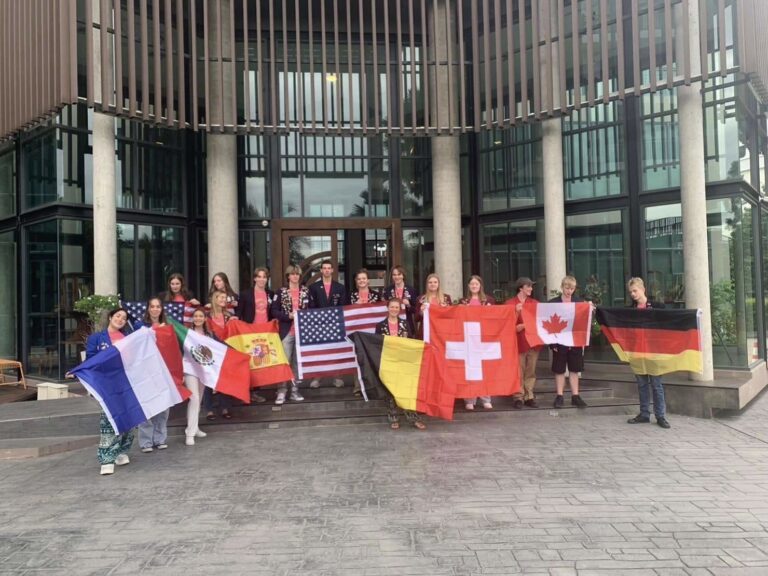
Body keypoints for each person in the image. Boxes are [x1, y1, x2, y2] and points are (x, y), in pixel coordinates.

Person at [84, 307, 134, 476]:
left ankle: (121, 451)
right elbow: (91, 359)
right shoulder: (97, 338)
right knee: (108, 419)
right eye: (118, 316)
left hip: (125, 383)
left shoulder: (128, 338)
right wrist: (78, 371)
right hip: (106, 384)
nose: (120, 319)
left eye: (124, 318)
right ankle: (106, 458)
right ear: (111, 317)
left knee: (128, 418)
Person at [626, 277, 671, 429]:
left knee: (657, 385)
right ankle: (644, 414)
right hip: (637, 352)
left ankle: (660, 416)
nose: (633, 294)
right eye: (630, 292)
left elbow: (671, 320)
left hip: (654, 351)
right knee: (642, 385)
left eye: (635, 290)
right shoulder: (630, 311)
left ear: (643, 289)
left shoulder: (657, 307)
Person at [375, 297, 426, 431]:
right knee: (390, 390)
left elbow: (410, 341)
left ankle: (412, 417)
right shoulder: (380, 325)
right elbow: (376, 344)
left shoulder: (405, 324)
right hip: (388, 361)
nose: (394, 309)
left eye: (397, 307)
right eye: (392, 307)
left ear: (400, 309)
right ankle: (393, 417)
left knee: (406, 389)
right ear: (387, 308)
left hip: (403, 361)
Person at [271, 264, 309, 405]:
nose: (295, 276)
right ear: (288, 276)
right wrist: (288, 316)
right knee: (284, 362)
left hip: (301, 332)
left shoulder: (305, 291)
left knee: (297, 363)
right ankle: (281, 391)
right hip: (286, 332)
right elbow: (274, 311)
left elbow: (311, 309)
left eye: (297, 274)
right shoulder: (281, 292)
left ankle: (294, 390)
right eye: (292, 274)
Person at [137, 298, 171, 453]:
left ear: (162, 309)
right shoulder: (139, 326)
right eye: (152, 306)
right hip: (145, 371)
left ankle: (160, 439)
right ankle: (145, 442)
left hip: (163, 371)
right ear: (148, 309)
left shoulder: (169, 327)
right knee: (146, 407)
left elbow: (173, 351)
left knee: (163, 407)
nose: (155, 309)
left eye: (158, 306)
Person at [235, 267, 275, 403]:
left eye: (264, 277)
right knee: (248, 362)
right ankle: (245, 391)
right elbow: (239, 312)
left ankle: (256, 392)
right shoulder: (246, 294)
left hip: (264, 333)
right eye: (259, 276)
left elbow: (273, 312)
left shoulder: (270, 294)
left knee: (260, 362)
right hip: (249, 332)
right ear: (255, 278)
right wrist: (234, 319)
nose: (262, 279)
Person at [549, 276, 588, 409]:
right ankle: (559, 396)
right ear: (562, 287)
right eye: (567, 288)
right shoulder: (553, 303)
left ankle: (575, 396)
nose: (569, 291)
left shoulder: (579, 302)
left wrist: (590, 309)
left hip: (575, 341)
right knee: (559, 369)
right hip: (559, 341)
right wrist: (552, 344)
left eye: (571, 289)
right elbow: (548, 324)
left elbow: (584, 322)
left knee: (574, 369)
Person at [308, 260, 348, 388]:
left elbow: (343, 306)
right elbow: (311, 306)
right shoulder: (313, 287)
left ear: (332, 270)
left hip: (335, 324)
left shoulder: (340, 287)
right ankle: (317, 378)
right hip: (318, 324)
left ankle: (337, 377)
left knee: (336, 350)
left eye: (328, 268)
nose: (326, 270)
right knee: (320, 351)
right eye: (324, 268)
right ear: (321, 270)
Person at [459, 275, 496, 410]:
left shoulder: (489, 300)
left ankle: (485, 397)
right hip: (468, 338)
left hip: (483, 338)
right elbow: (457, 319)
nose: (474, 286)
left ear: (480, 286)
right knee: (469, 369)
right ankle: (469, 399)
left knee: (484, 369)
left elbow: (495, 318)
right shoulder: (463, 301)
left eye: (476, 284)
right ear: (468, 286)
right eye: (472, 284)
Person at [507, 277, 542, 410]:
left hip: (533, 342)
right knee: (518, 371)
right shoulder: (510, 303)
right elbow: (504, 324)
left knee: (530, 371)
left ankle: (529, 396)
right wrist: (517, 324)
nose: (531, 289)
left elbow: (541, 321)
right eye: (528, 286)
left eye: (531, 286)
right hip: (517, 342)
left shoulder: (535, 303)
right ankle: (518, 396)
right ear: (521, 288)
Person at [183, 309, 211, 446]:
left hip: (203, 370)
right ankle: (190, 433)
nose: (198, 318)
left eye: (201, 316)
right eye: (195, 316)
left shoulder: (209, 334)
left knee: (198, 399)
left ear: (205, 318)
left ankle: (195, 427)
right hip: (189, 369)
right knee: (193, 398)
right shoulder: (187, 333)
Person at [382, 265, 419, 334]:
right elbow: (383, 308)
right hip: (390, 325)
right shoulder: (387, 290)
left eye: (399, 274)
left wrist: (408, 305)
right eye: (394, 275)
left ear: (403, 275)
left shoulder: (411, 290)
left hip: (407, 325)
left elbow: (416, 310)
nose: (397, 277)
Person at [414, 273, 452, 338]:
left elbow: (451, 316)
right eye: (430, 282)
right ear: (427, 284)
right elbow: (416, 318)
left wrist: (445, 310)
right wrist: (421, 312)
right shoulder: (421, 299)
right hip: (426, 332)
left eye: (435, 282)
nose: (432, 284)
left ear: (438, 284)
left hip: (442, 332)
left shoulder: (446, 298)